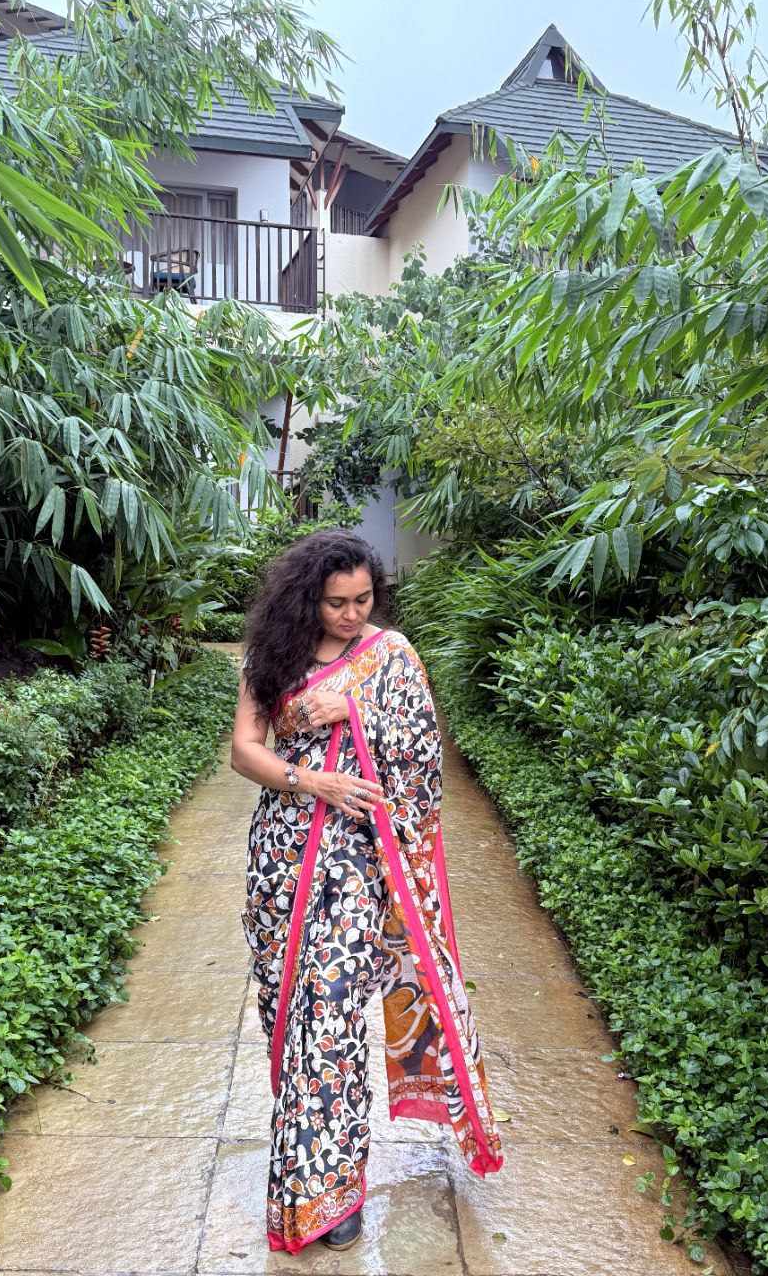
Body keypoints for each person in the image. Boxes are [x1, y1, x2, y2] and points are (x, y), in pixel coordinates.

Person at [230, 528, 503, 1256]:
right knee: (289, 1015)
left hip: (360, 861)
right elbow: (245, 751)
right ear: (306, 600)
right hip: (282, 857)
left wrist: (355, 713)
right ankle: (305, 1161)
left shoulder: (393, 657)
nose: (353, 615)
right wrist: (310, 779)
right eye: (336, 603)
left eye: (363, 600)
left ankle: (336, 1189)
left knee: (331, 1016)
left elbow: (424, 763)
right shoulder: (271, 656)